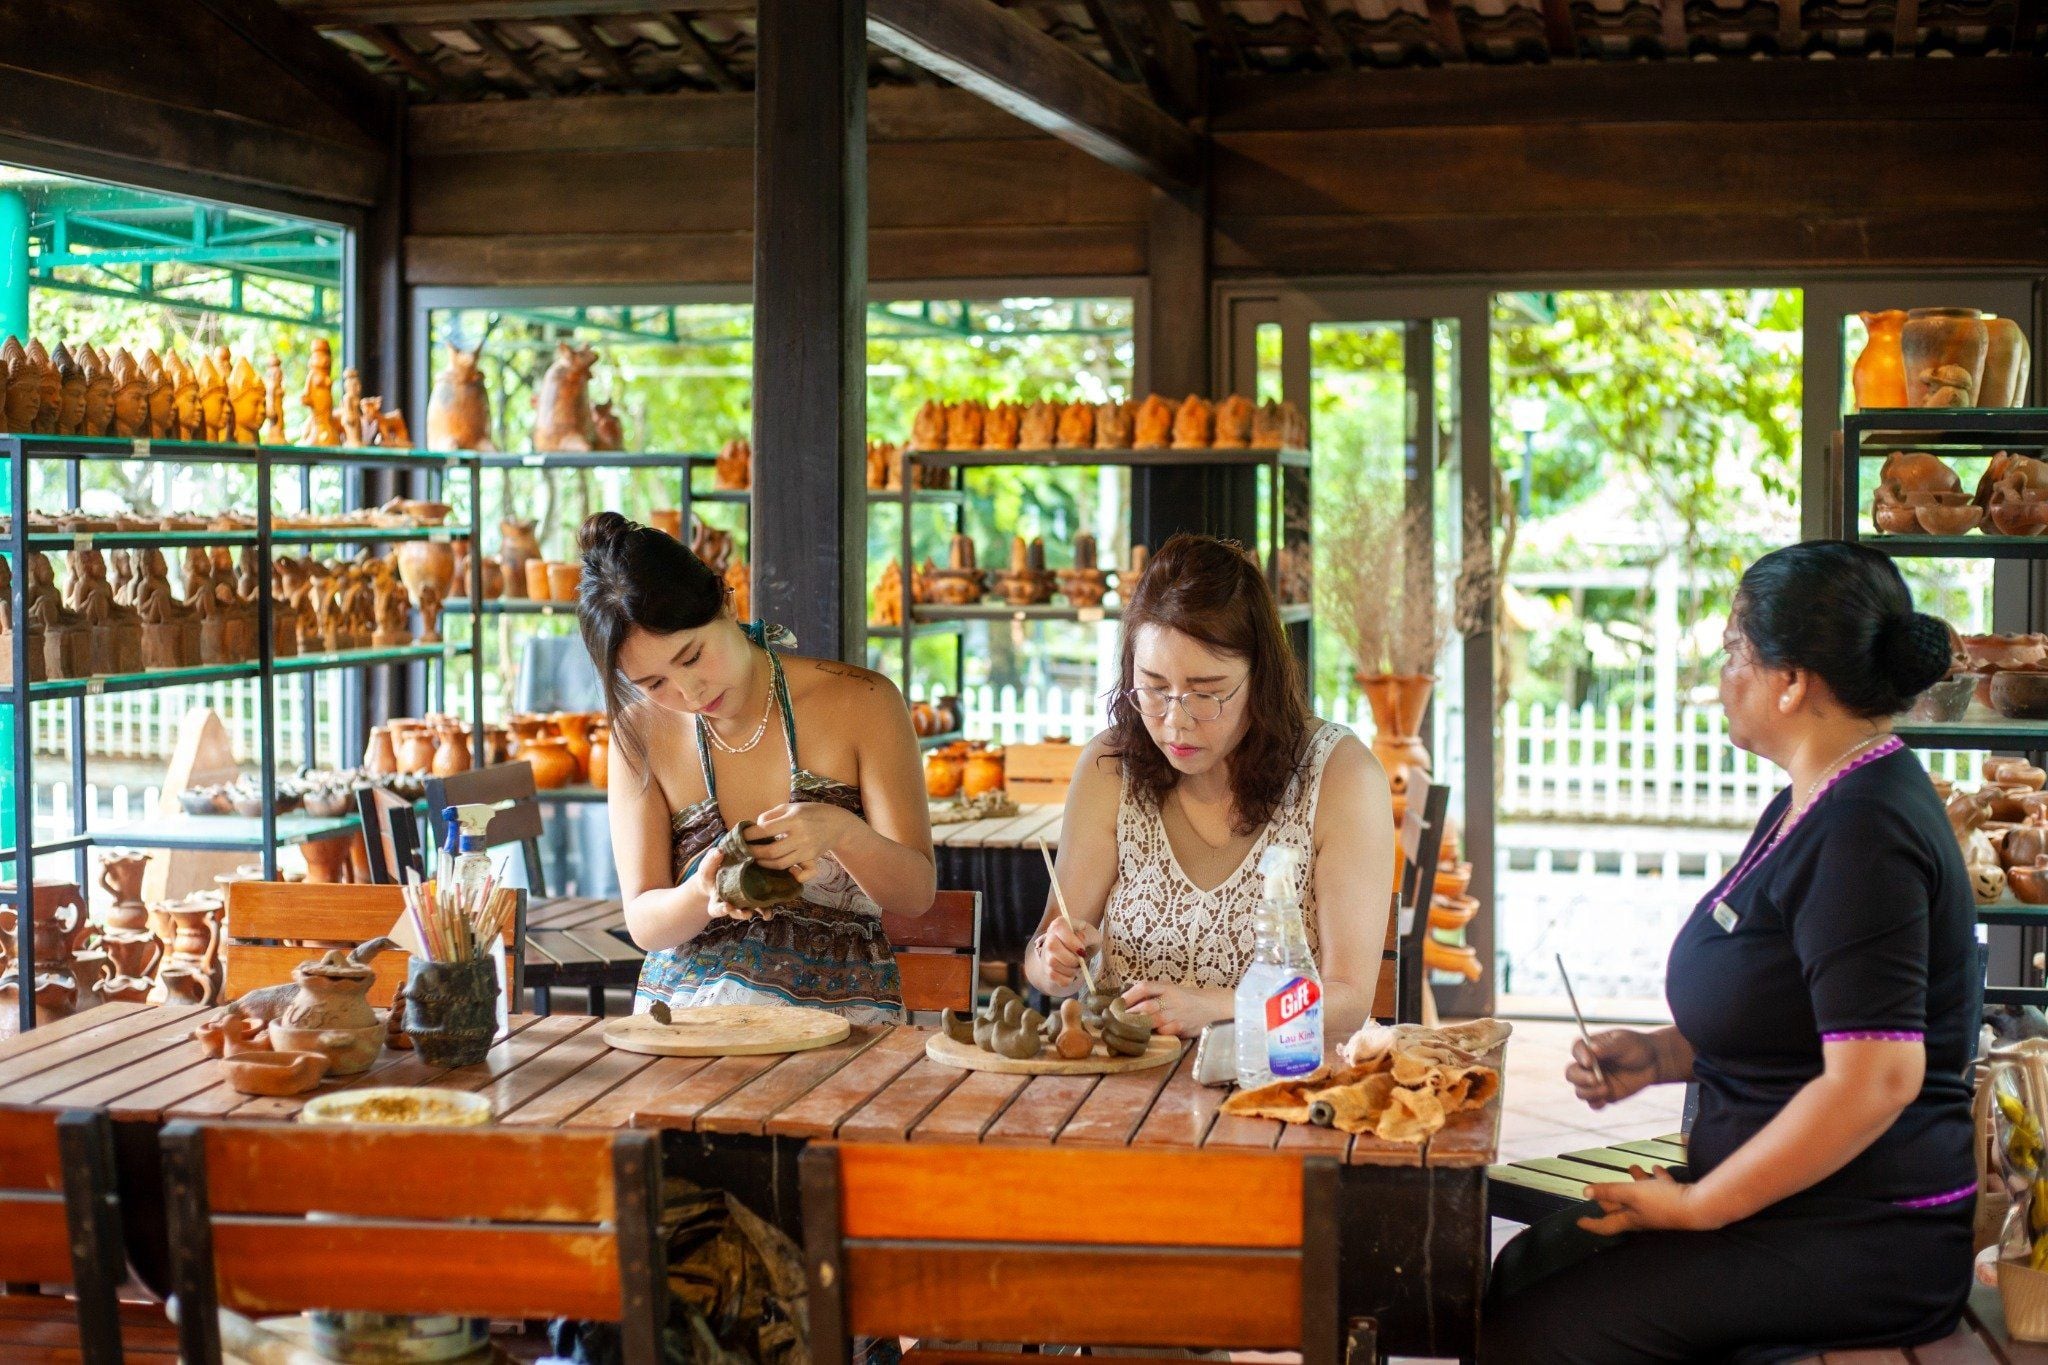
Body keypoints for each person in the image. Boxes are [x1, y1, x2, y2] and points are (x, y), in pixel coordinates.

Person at [1484, 540, 1975, 1363]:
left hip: (1861, 1234)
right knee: (1526, 1268)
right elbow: (1796, 1008)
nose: (1721, 675)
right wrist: (1664, 1054)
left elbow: (1881, 1077)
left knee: (1539, 1330)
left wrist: (1704, 1204)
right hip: (1796, 1211)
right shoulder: (1816, 797)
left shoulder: (1865, 829)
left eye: (1732, 652)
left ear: (1791, 681)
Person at [1022, 533, 1397, 1039]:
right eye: (1153, 688)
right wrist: (1052, 960)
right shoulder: (1109, 766)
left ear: (1259, 677)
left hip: (1279, 1086)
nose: (1175, 721)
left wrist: (1218, 1009)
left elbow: (1349, 1001)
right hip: (1118, 1088)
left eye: (1207, 693)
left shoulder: (1340, 778)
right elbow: (1045, 951)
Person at [577, 512, 935, 1024]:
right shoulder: (639, 733)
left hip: (843, 1021)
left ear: (727, 599)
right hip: (687, 1019)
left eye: (694, 656)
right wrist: (701, 894)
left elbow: (917, 894)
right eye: (655, 684)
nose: (690, 692)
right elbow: (645, 923)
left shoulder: (864, 701)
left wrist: (843, 832)